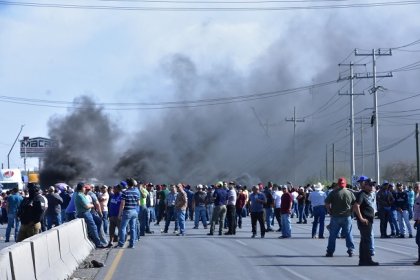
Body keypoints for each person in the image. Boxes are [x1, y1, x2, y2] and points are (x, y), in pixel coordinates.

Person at [325, 177, 355, 257]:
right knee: (348, 234)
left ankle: (330, 251)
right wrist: (351, 212)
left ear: (338, 184)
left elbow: (327, 203)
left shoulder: (333, 193)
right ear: (345, 184)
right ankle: (351, 250)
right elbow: (354, 204)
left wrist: (329, 211)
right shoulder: (349, 193)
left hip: (335, 217)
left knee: (332, 235)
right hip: (347, 216)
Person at [353, 178, 379, 266]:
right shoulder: (362, 194)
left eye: (373, 185)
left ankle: (363, 260)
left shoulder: (369, 194)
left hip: (369, 220)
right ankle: (367, 260)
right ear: (365, 185)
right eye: (370, 185)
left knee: (364, 240)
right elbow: (356, 206)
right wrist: (361, 218)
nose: (372, 186)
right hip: (365, 221)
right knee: (366, 240)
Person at [74, 182, 105, 248]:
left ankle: (93, 237)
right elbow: (87, 206)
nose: (85, 189)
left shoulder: (81, 194)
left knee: (98, 221)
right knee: (93, 227)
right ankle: (98, 243)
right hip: (85, 213)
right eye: (84, 188)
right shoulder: (79, 195)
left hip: (87, 212)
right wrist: (92, 205)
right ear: (82, 188)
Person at [118, 178, 140, 248]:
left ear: (127, 184)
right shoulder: (136, 192)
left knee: (123, 228)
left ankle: (121, 243)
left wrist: (120, 214)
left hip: (127, 211)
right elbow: (138, 203)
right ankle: (132, 244)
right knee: (133, 228)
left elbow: (122, 204)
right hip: (134, 211)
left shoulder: (125, 192)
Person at [413, 182, 420, 265]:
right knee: (418, 240)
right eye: (415, 187)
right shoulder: (417, 196)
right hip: (418, 221)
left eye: (417, 187)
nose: (416, 188)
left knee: (419, 240)